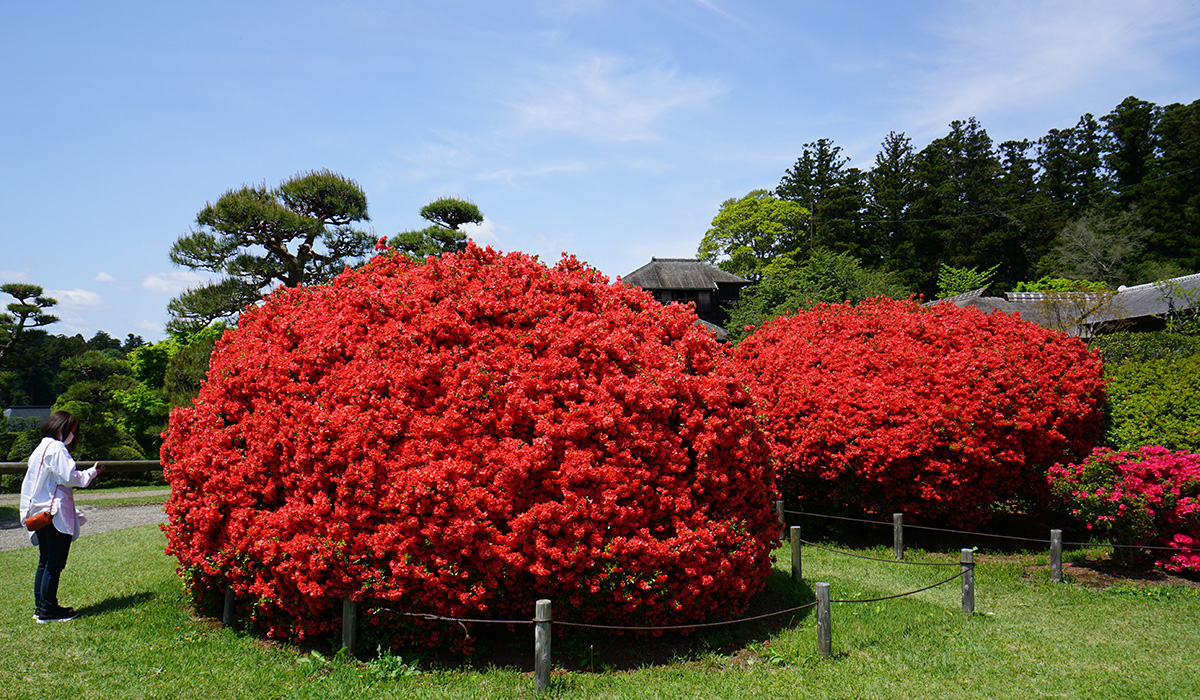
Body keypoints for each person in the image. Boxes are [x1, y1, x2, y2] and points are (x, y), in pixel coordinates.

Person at [19, 411, 103, 623]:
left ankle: (42, 607)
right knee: (54, 564)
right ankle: (48, 610)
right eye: (72, 431)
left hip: (40, 513)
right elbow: (69, 477)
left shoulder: (39, 449)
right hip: (54, 513)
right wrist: (91, 473)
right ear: (61, 428)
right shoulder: (57, 448)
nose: (73, 436)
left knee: (45, 562)